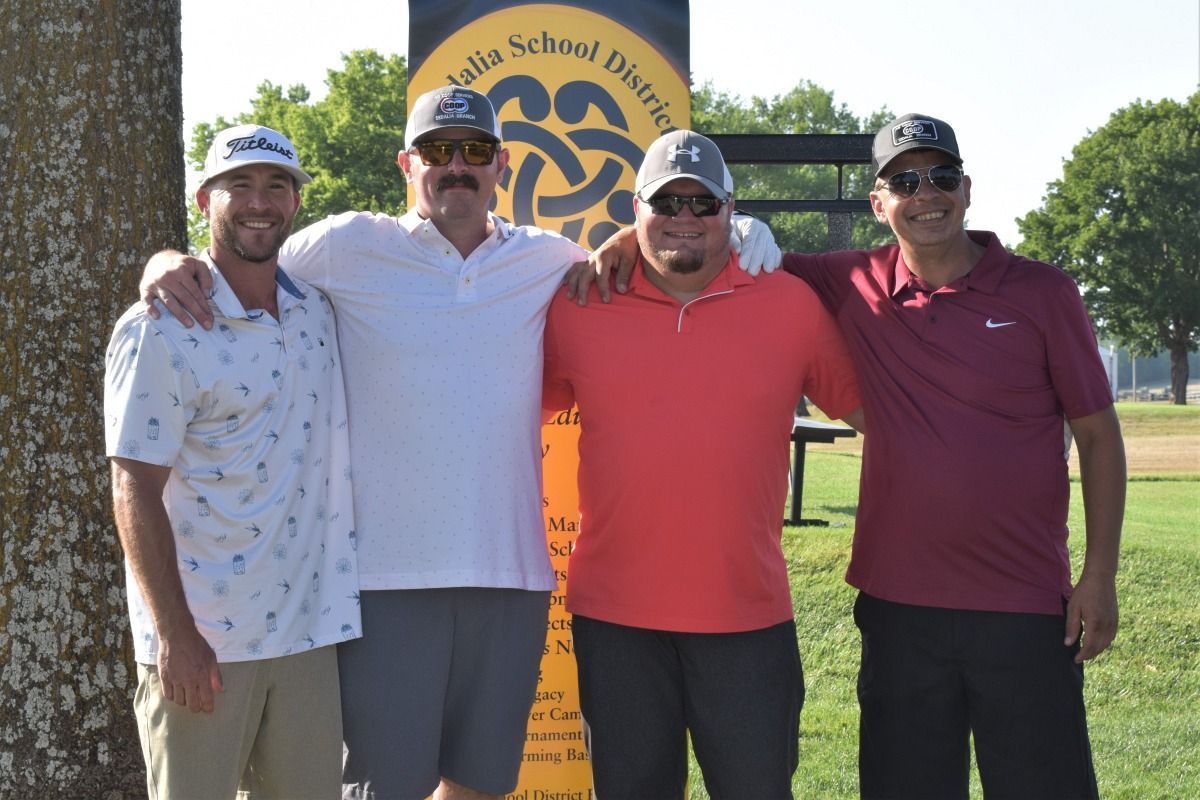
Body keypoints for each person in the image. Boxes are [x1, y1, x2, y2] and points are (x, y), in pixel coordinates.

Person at [591, 113, 1126, 800]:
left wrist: (1100, 574)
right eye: (904, 180)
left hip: (1024, 605)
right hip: (898, 608)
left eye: (941, 177)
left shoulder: (1043, 292)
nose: (925, 193)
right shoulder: (848, 281)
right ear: (878, 202)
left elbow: (1099, 434)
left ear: (967, 189)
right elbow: (701, 246)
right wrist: (623, 239)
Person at [542, 129, 864, 798]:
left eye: (703, 205)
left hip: (746, 622)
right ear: (635, 209)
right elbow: (499, 413)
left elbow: (878, 419)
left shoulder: (789, 303)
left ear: (731, 210)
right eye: (667, 203)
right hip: (617, 622)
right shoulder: (581, 302)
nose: (684, 220)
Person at [104, 124, 361, 799]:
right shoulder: (161, 325)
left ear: (296, 202)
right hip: (204, 646)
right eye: (238, 185)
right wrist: (174, 635)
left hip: (307, 637)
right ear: (203, 199)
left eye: (277, 185)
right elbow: (133, 484)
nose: (259, 202)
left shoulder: (317, 313)